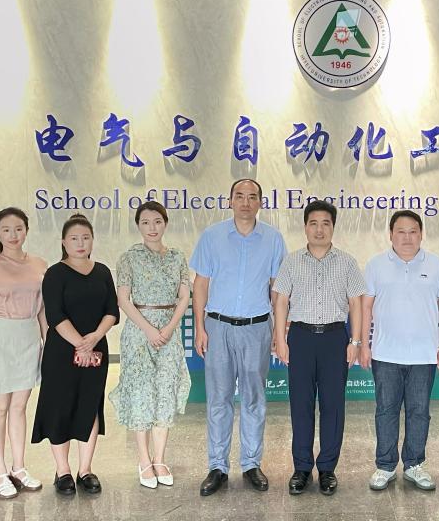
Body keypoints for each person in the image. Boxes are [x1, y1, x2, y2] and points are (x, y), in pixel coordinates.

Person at [190, 179, 287, 496]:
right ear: (230, 200)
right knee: (219, 399)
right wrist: (200, 327)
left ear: (260, 202)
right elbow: (200, 284)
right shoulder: (212, 236)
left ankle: (251, 464)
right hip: (218, 327)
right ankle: (217, 466)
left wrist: (278, 331)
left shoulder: (273, 239)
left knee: (254, 398)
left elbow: (278, 289)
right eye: (240, 196)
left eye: (252, 197)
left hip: (257, 328)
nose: (246, 202)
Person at [272, 200, 366, 496]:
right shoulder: (292, 261)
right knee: (300, 405)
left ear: (333, 227)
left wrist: (355, 341)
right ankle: (301, 468)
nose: (319, 229)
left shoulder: (347, 262)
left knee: (332, 406)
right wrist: (280, 339)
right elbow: (281, 301)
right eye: (313, 223)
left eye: (325, 223)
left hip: (334, 339)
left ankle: (327, 468)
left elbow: (356, 303)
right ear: (305, 227)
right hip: (300, 338)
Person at [360, 210, 439, 492]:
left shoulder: (436, 265)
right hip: (385, 354)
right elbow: (366, 307)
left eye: (413, 231)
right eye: (400, 232)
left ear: (421, 234)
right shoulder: (376, 265)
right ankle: (385, 465)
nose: (407, 237)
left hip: (423, 355)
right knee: (386, 410)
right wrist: (364, 345)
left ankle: (414, 464)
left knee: (419, 411)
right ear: (390, 234)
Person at [31, 214, 119, 495]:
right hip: (61, 352)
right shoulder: (55, 274)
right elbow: (55, 315)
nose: (81, 243)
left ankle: (85, 470)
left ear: (92, 240)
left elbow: (112, 311)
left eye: (86, 238)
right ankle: (63, 471)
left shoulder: (103, 271)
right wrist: (82, 343)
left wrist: (94, 338)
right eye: (74, 238)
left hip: (96, 349)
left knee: (89, 405)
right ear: (63, 242)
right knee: (60, 407)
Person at [109, 201, 192, 488]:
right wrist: (148, 329)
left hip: (169, 332)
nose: (152, 228)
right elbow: (123, 299)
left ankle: (160, 459)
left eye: (157, 221)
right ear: (138, 226)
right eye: (145, 222)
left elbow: (184, 296)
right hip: (138, 332)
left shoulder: (177, 257)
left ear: (165, 223)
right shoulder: (128, 258)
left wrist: (168, 328)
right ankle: (144, 460)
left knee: (165, 391)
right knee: (141, 393)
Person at [0, 207, 49, 498]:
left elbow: (43, 311)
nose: (13, 235)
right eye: (6, 230)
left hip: (29, 336)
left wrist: (47, 344)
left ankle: (19, 467)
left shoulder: (40, 264)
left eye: (18, 228)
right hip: (0, 338)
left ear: (26, 230)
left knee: (20, 406)